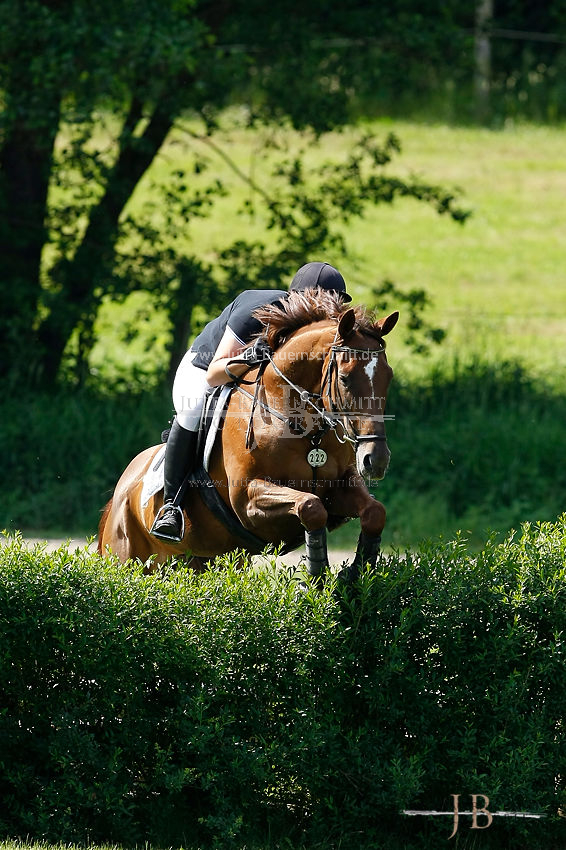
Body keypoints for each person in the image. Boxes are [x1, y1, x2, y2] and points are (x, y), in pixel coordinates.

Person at [150, 261, 352, 541]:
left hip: (254, 380)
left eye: (335, 305)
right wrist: (248, 357)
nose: (328, 313)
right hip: (206, 368)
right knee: (194, 409)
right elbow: (215, 374)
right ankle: (171, 506)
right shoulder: (255, 310)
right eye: (322, 303)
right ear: (298, 298)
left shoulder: (317, 337)